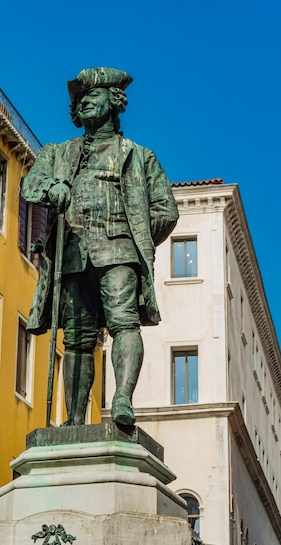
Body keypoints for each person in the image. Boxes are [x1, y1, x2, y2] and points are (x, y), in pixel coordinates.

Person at [22, 67, 178, 426]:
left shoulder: (139, 156)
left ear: (115, 100)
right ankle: (75, 418)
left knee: (124, 324)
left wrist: (133, 234)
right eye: (80, 98)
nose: (85, 100)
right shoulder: (57, 152)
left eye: (94, 92)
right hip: (72, 255)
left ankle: (122, 400)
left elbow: (165, 210)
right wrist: (51, 189)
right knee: (76, 338)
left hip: (119, 251)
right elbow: (31, 184)